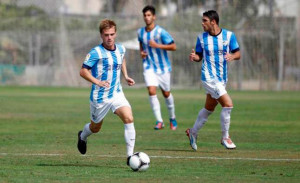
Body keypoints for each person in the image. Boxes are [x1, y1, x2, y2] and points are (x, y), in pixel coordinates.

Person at [77, 19, 136, 163]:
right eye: (106, 35)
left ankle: (130, 157)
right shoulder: (96, 52)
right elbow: (83, 71)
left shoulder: (121, 49)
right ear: (101, 35)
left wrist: (126, 76)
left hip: (116, 93)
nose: (109, 38)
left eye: (112, 34)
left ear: (116, 34)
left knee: (129, 118)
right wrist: (97, 82)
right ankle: (82, 136)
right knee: (95, 128)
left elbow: (121, 60)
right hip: (100, 97)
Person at [186, 10, 241, 150]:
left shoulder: (229, 36)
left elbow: (238, 53)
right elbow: (199, 57)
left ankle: (193, 132)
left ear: (213, 22)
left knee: (209, 108)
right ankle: (225, 137)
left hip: (221, 79)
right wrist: (195, 57)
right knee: (228, 105)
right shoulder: (201, 38)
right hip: (208, 78)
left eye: (204, 20)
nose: (202, 23)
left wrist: (232, 56)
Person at [137, 5, 178, 130]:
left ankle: (172, 117)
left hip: (163, 68)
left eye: (149, 15)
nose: (147, 17)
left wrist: (157, 45)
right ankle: (159, 121)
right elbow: (141, 44)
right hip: (149, 66)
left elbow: (173, 46)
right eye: (145, 15)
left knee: (166, 93)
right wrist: (142, 52)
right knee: (151, 91)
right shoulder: (140, 32)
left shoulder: (161, 32)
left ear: (154, 17)